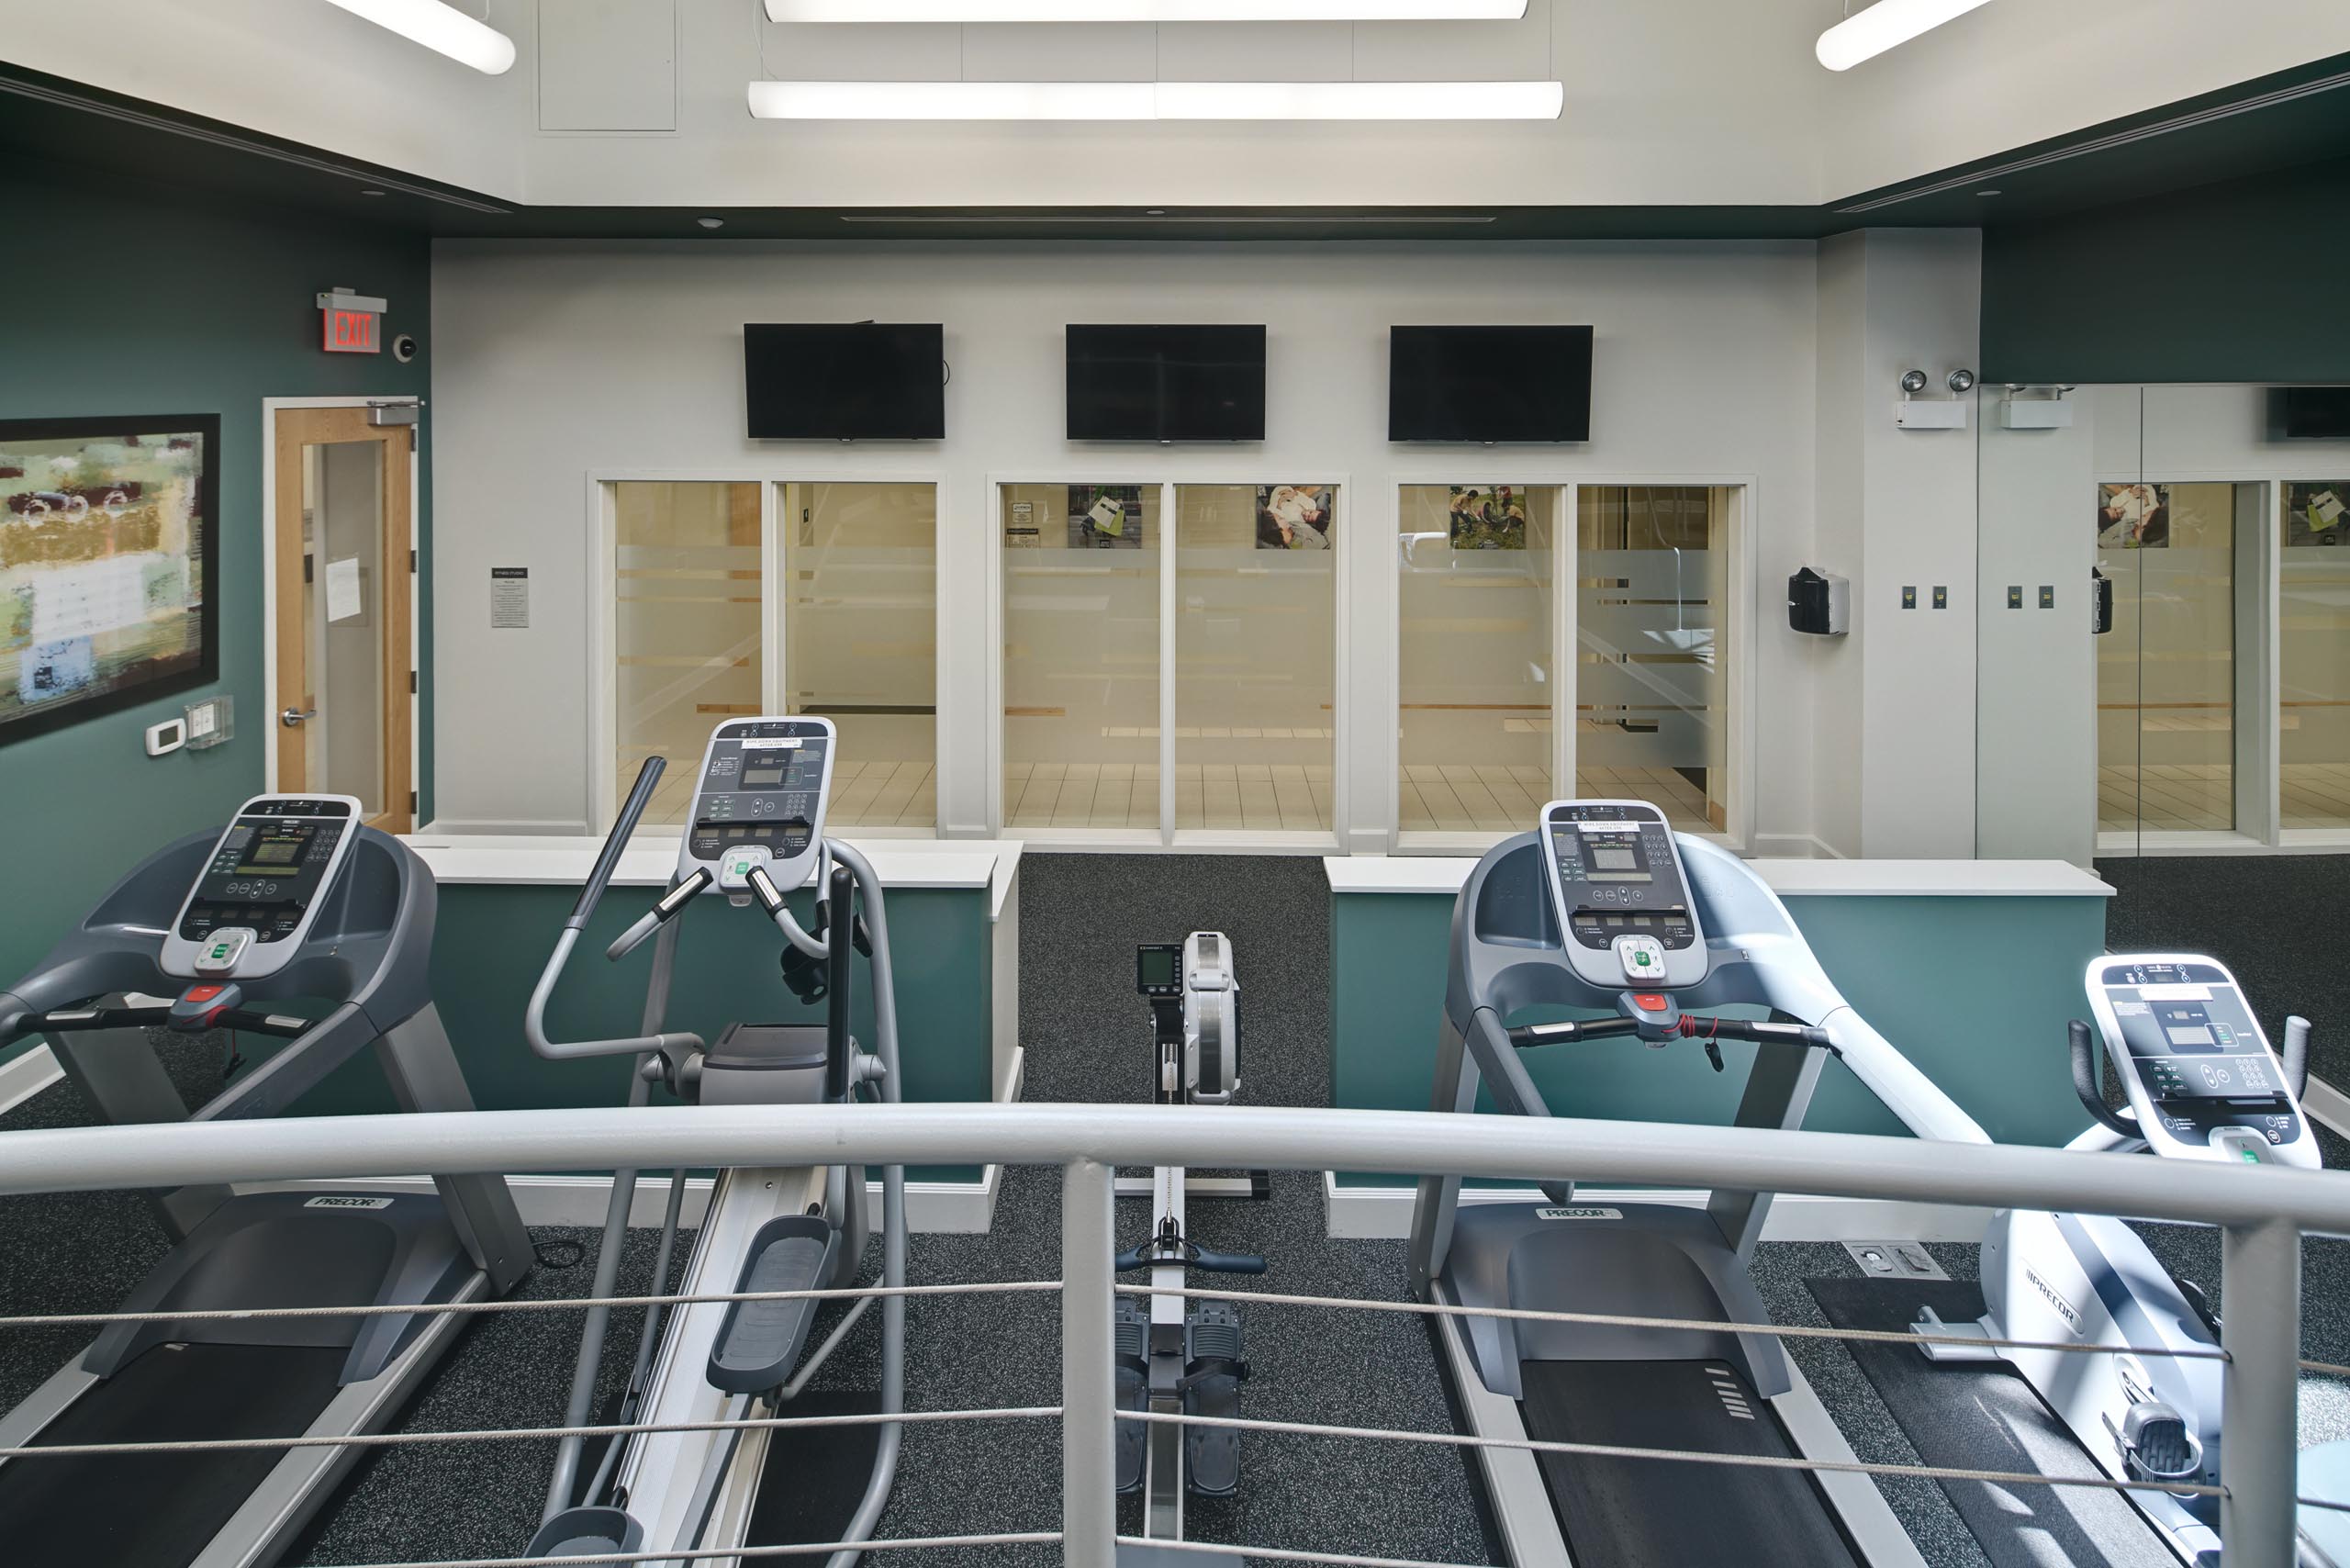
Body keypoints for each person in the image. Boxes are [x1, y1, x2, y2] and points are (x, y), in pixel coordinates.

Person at [1259, 485, 1329, 550]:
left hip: (1275, 494)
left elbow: (1272, 514)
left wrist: (1279, 503)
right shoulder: (1312, 504)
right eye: (1311, 512)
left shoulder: (1294, 520)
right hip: (1285, 487)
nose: (1306, 513)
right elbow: (1298, 493)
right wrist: (1293, 493)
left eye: (1308, 518)